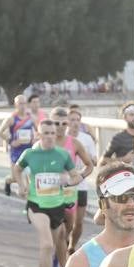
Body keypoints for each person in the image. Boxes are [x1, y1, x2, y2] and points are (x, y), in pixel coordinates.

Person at [15, 119, 79, 267]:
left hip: (57, 206)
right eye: (46, 133)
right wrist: (22, 185)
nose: (50, 136)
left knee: (48, 248)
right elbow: (17, 169)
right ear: (39, 135)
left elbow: (75, 177)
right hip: (36, 205)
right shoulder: (30, 154)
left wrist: (66, 179)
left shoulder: (63, 155)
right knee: (47, 243)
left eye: (52, 133)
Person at [52, 106, 97, 252]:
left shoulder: (76, 143)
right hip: (49, 193)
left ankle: (66, 248)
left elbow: (90, 165)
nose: (60, 127)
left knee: (70, 227)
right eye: (56, 123)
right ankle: (53, 260)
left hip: (70, 191)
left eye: (63, 124)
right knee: (52, 231)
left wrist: (79, 177)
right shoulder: (43, 142)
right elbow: (28, 167)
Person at [66, 105, 99, 249]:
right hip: (66, 186)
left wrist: (90, 160)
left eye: (77, 120)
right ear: (67, 121)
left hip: (81, 185)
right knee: (68, 220)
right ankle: (64, 240)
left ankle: (72, 246)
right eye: (72, 119)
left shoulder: (86, 139)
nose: (75, 122)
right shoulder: (62, 139)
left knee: (78, 222)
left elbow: (94, 161)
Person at [0, 95, 35, 194]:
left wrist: (34, 139)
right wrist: (11, 141)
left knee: (30, 176)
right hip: (16, 151)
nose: (22, 106)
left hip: (28, 150)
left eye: (24, 103)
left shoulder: (31, 118)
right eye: (20, 103)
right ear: (15, 105)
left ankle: (28, 198)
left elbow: (39, 131)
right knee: (15, 177)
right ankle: (8, 181)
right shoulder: (11, 119)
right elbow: (0, 132)